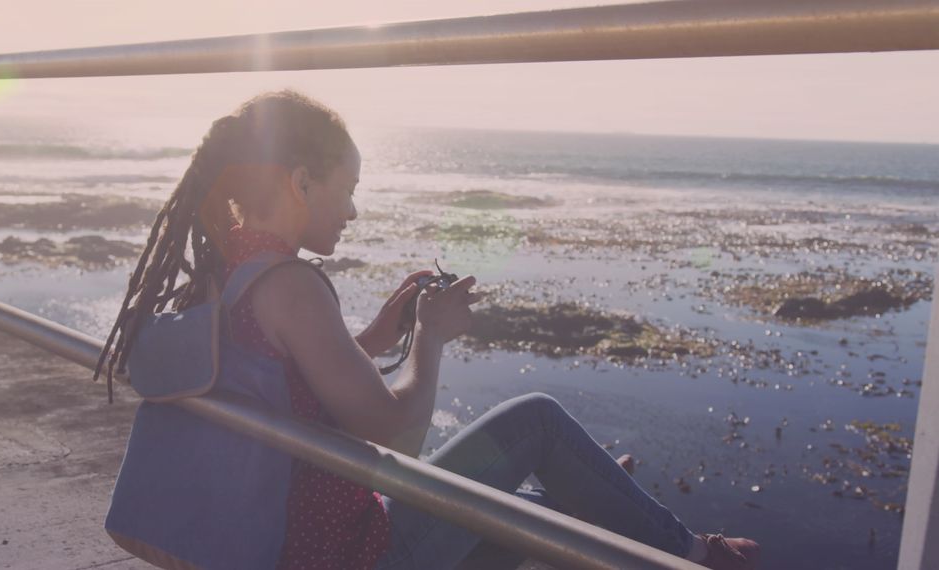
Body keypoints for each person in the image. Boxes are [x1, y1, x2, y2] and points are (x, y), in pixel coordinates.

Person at [95, 90, 760, 570]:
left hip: (291, 541)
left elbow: (281, 387)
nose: (353, 209)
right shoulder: (293, 285)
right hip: (343, 556)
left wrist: (379, 340)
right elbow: (399, 438)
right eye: (347, 187)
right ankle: (695, 556)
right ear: (301, 181)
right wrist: (433, 337)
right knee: (537, 422)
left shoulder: (231, 272)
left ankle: (603, 507)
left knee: (534, 512)